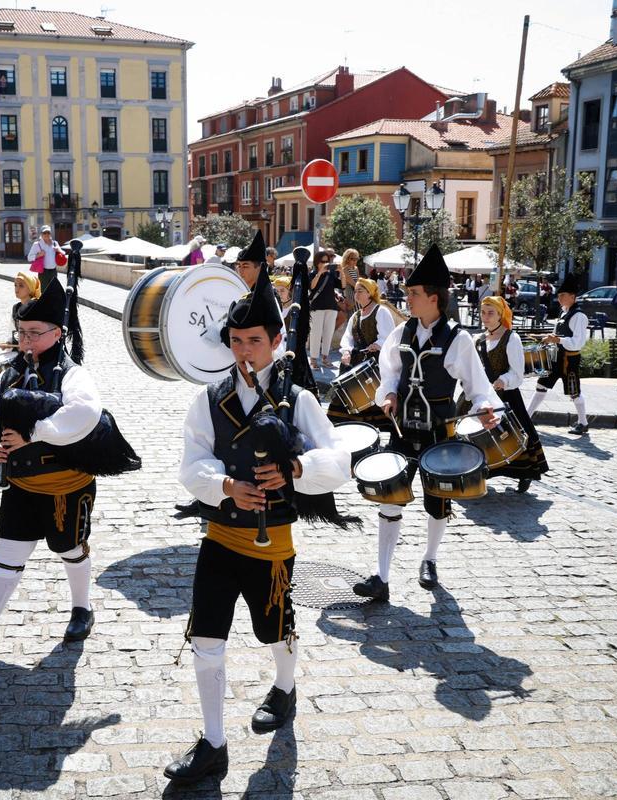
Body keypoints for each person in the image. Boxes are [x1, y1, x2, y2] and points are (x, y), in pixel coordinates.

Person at [164, 266, 349, 785]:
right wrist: (224, 486)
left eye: (255, 341)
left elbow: (337, 461)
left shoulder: (299, 399)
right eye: (237, 340)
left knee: (274, 629)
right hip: (220, 535)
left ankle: (285, 687)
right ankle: (214, 744)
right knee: (206, 636)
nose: (245, 351)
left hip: (273, 544)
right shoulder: (208, 398)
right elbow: (191, 463)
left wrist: (295, 469)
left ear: (277, 341)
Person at [0, 274, 138, 655]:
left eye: (34, 333)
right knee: (6, 556)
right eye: (21, 332)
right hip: (22, 486)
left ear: (57, 333)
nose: (25, 341)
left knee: (70, 547)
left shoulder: (73, 375)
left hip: (65, 486)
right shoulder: (11, 373)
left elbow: (86, 413)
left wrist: (36, 433)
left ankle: (82, 608)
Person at [353, 245, 499, 602]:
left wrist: (484, 408)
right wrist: (387, 394)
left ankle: (430, 559)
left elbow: (477, 387)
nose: (408, 299)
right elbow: (388, 372)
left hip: (439, 431)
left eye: (414, 294)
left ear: (434, 298)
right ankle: (381, 578)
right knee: (389, 499)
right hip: (402, 429)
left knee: (437, 502)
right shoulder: (401, 333)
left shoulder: (458, 339)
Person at [475, 296, 549, 492]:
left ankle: (524, 473)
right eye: (483, 312)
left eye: (491, 313)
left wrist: (503, 381)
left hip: (506, 396)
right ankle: (480, 471)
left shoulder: (511, 338)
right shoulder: (480, 339)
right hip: (483, 395)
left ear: (500, 314)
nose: (486, 317)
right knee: (477, 434)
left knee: (513, 435)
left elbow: (518, 373)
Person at [327, 278, 396, 427]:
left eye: (360, 291)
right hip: (357, 359)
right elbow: (347, 338)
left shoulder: (381, 311)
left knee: (373, 395)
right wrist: (346, 351)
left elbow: (389, 336)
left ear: (370, 293)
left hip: (375, 362)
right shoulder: (356, 315)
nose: (356, 294)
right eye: (356, 291)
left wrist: (378, 344)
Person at [527, 272, 590, 435]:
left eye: (563, 295)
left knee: (574, 392)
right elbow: (558, 335)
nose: (559, 298)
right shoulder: (564, 312)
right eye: (559, 295)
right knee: (541, 385)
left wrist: (556, 340)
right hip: (556, 357)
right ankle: (526, 418)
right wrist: (545, 337)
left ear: (572, 296)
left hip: (570, 359)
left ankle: (583, 422)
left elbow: (578, 342)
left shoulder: (579, 316)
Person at [307, 250, 339, 370]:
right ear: (317, 262)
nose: (326, 263)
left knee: (328, 333)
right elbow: (312, 287)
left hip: (331, 307)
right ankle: (313, 359)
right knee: (315, 334)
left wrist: (342, 272)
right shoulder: (312, 273)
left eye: (327, 261)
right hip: (317, 307)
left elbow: (343, 286)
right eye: (323, 261)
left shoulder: (331, 274)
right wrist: (320, 273)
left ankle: (325, 358)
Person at [6, 271, 41, 347]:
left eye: (21, 286)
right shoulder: (16, 308)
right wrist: (9, 343)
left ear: (30, 288)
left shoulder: (36, 307)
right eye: (15, 285)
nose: (17, 289)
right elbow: (13, 329)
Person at [27, 226, 61, 290]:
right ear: (41, 234)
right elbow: (29, 258)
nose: (46, 234)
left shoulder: (55, 243)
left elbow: (62, 254)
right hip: (43, 272)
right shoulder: (37, 244)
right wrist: (39, 255)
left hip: (53, 271)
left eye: (48, 233)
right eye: (44, 233)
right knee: (43, 292)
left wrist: (58, 251)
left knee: (53, 290)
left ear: (50, 234)